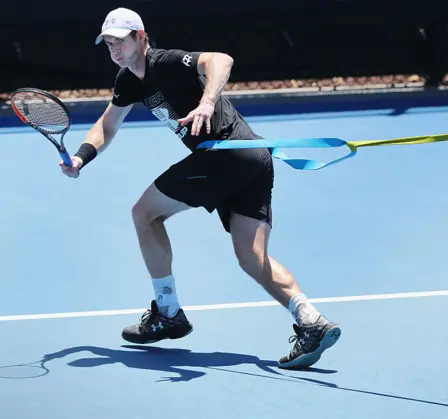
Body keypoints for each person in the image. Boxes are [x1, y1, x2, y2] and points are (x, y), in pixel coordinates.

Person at [60, 7, 341, 370]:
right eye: (108, 42)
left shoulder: (167, 61)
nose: (114, 48)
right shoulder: (129, 79)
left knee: (144, 214)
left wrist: (207, 102)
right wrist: (82, 158)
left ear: (140, 37)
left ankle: (168, 312)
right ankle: (312, 322)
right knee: (252, 259)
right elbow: (107, 125)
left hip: (225, 156)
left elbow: (221, 59)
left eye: (120, 40)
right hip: (254, 159)